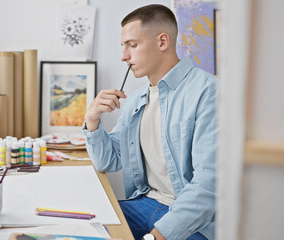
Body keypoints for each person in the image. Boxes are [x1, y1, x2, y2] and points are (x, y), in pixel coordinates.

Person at [83, 4, 216, 240]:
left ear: (162, 42)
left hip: (193, 220)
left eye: (132, 45)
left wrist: (159, 235)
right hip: (145, 204)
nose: (124, 56)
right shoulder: (136, 100)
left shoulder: (209, 92)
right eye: (123, 47)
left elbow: (209, 185)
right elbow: (109, 160)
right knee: (84, 226)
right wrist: (92, 120)